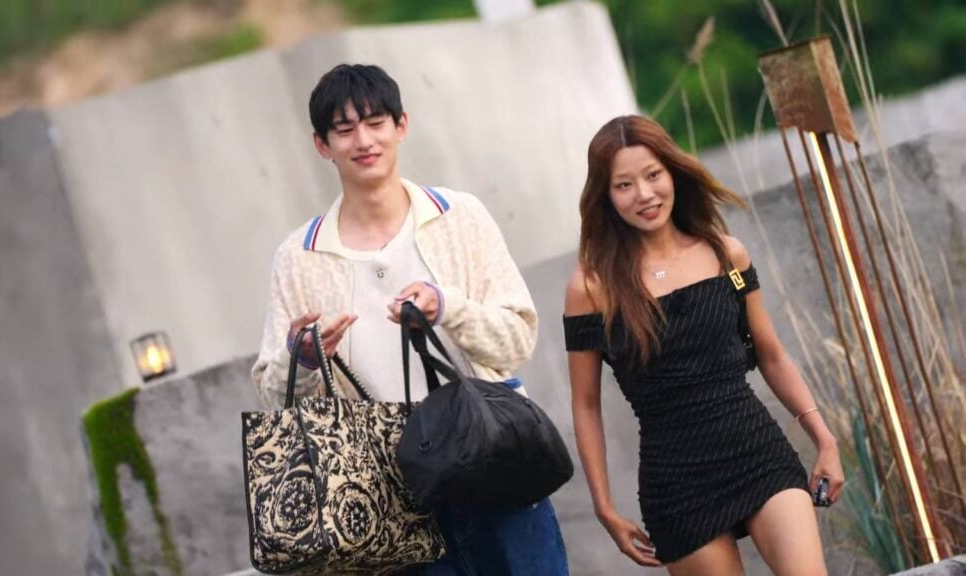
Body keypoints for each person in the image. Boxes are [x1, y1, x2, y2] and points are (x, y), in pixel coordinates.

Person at [252, 63, 568, 575]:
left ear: (401, 125)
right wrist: (303, 358)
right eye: (344, 129)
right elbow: (274, 396)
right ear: (322, 145)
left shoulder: (458, 216)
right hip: (389, 497)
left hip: (494, 461)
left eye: (375, 122)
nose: (363, 141)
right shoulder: (298, 257)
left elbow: (518, 339)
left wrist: (449, 308)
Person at [562, 115, 844, 574]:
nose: (644, 194)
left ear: (673, 172)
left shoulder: (724, 253)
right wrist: (604, 507)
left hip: (756, 451)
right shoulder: (592, 287)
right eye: (624, 185)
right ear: (606, 195)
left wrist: (824, 440)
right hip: (678, 484)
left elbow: (771, 355)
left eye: (653, 175)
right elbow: (586, 405)